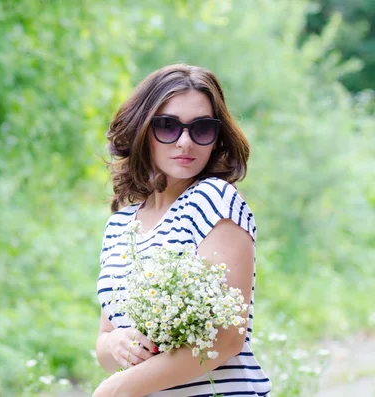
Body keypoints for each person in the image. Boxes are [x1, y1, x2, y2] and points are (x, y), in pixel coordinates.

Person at [93, 64, 272, 397]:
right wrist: (118, 343)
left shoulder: (214, 201)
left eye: (202, 129)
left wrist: (116, 390)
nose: (186, 142)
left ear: (217, 137)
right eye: (167, 126)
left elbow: (228, 336)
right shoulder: (121, 224)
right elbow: (104, 341)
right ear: (142, 129)